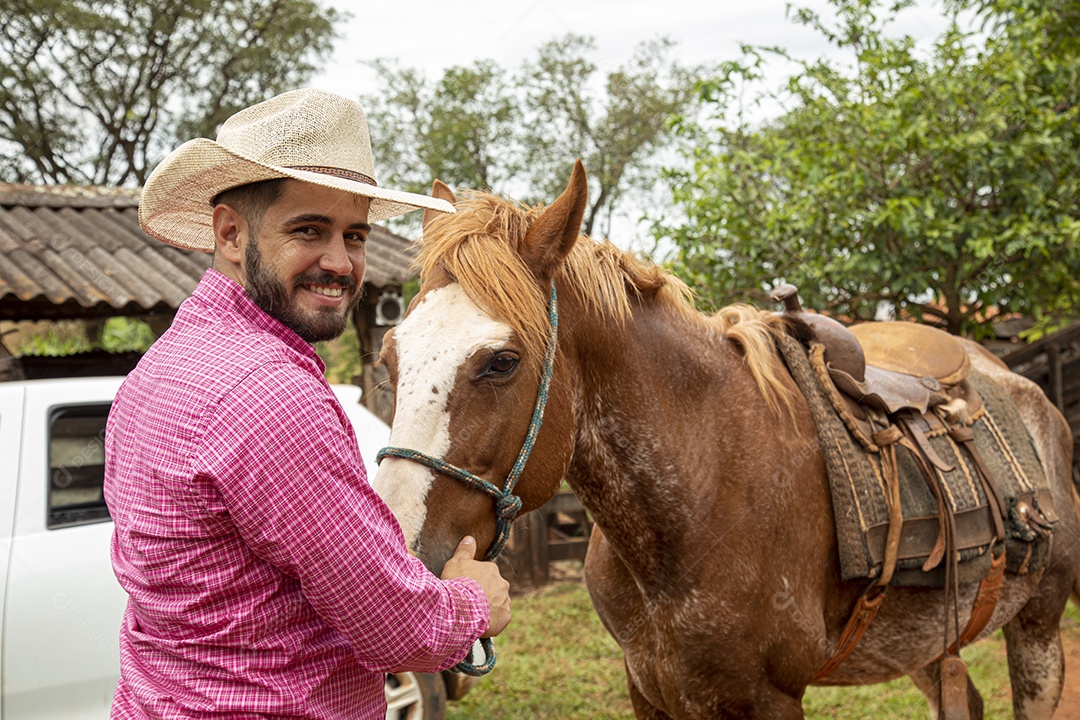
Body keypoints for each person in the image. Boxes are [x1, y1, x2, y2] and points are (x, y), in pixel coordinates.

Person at [104, 88, 511, 719]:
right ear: (232, 234)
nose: (340, 262)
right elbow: (399, 628)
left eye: (354, 235)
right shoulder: (270, 395)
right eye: (308, 230)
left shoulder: (156, 371)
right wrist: (473, 599)